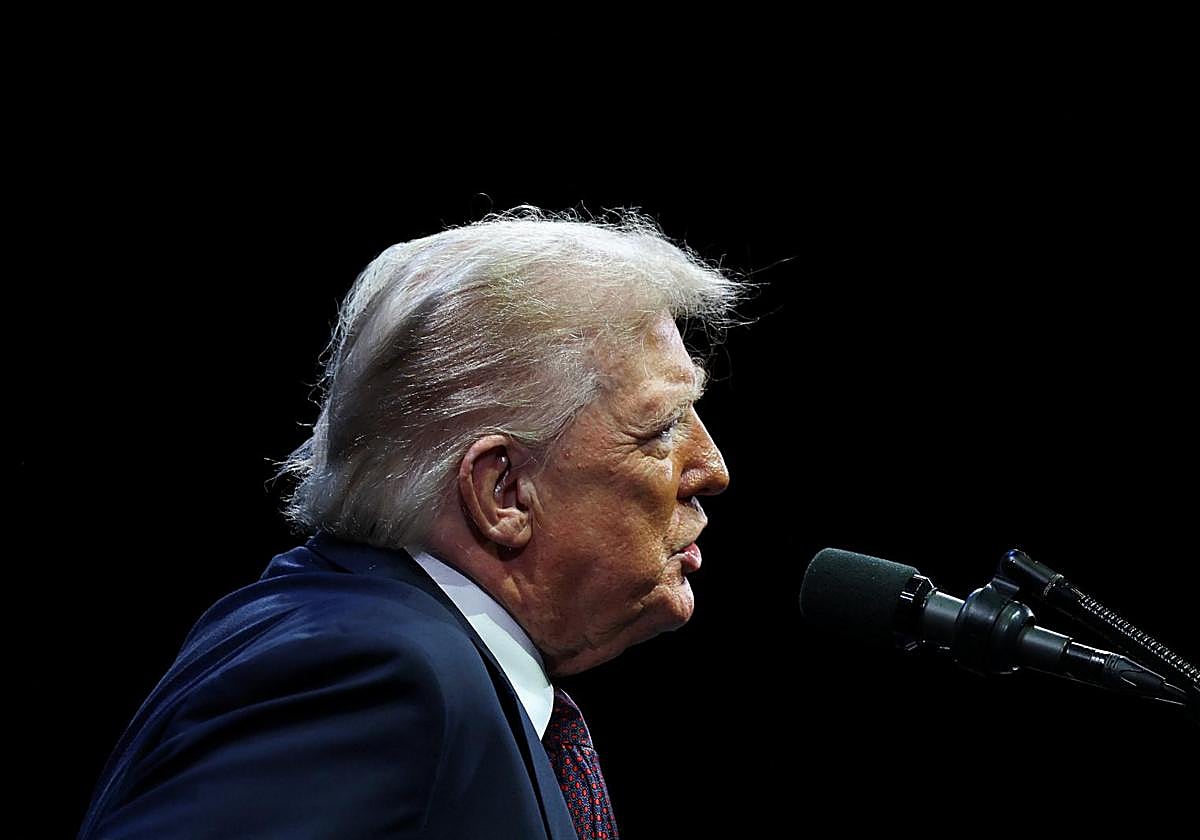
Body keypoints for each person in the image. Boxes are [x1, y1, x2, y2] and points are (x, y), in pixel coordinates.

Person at [78, 207, 740, 839]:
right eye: (662, 427)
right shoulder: (376, 677)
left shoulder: (375, 638)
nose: (711, 469)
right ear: (504, 490)